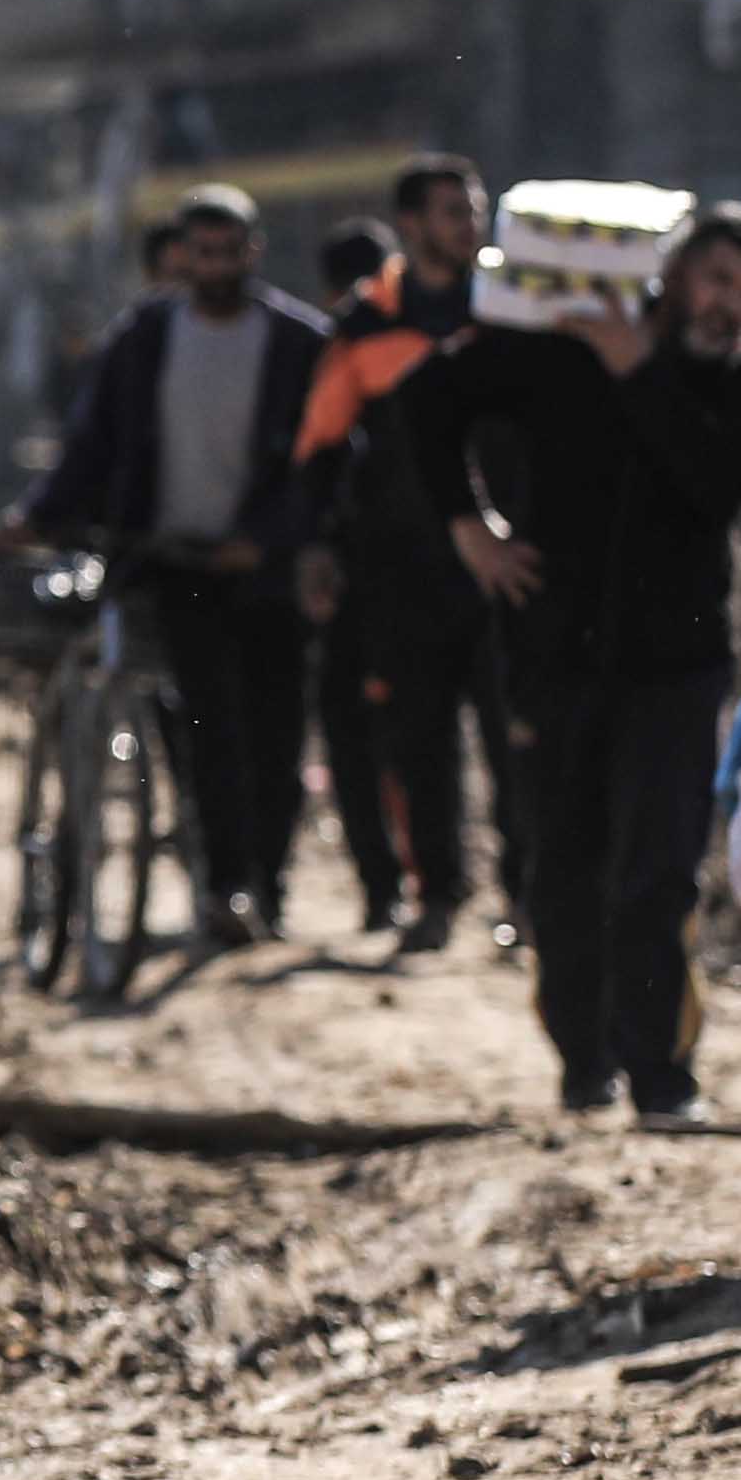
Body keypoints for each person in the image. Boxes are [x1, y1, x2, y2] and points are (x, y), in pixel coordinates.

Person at [402, 199, 741, 1121]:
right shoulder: (558, 352)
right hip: (552, 655)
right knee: (559, 866)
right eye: (716, 278)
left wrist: (643, 374)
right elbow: (427, 399)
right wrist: (469, 526)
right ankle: (583, 1065)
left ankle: (661, 1077)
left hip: (678, 666)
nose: (729, 304)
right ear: (673, 270)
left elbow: (713, 486)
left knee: (657, 871)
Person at [12, 184, 324, 947]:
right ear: (183, 255)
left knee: (276, 736)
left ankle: (268, 884)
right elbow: (95, 440)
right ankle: (223, 889)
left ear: (253, 251)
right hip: (173, 562)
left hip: (265, 567)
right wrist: (41, 513)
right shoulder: (146, 338)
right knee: (207, 726)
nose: (215, 266)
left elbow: (324, 464)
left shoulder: (299, 344)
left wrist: (273, 535)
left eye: (229, 252)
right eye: (202, 252)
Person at [300, 156, 500, 956]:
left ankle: (527, 891)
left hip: (507, 558)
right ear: (411, 224)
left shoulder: (510, 307)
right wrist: (315, 544)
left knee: (517, 731)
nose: (468, 225)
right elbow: (319, 443)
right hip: (402, 568)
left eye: (474, 209)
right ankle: (439, 894)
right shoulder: (365, 324)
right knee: (420, 740)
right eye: (453, 211)